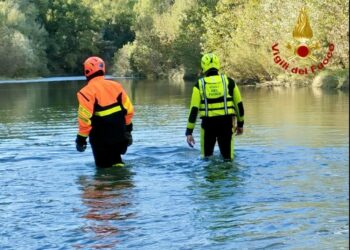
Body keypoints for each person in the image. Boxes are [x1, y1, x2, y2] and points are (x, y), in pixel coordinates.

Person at [75, 56, 134, 167]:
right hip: (120, 137)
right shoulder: (116, 86)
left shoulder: (85, 92)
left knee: (103, 172)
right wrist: (128, 131)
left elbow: (84, 120)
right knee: (117, 162)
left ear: (87, 71)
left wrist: (81, 140)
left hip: (102, 141)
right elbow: (129, 110)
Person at [185, 53, 244, 161]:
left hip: (208, 125)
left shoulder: (199, 85)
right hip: (226, 124)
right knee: (228, 160)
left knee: (206, 159)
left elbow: (194, 110)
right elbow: (239, 105)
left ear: (203, 67)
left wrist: (189, 132)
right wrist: (240, 124)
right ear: (218, 65)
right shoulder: (229, 82)